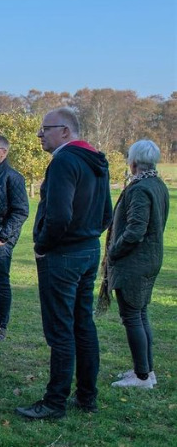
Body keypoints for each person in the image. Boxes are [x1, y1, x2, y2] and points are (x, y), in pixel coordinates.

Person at [16, 107, 112, 420]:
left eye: (46, 128)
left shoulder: (64, 161)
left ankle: (55, 402)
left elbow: (58, 215)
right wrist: (87, 237)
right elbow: (106, 214)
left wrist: (43, 246)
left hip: (64, 255)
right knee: (83, 325)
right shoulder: (97, 160)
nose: (39, 134)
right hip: (87, 252)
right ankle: (87, 396)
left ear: (65, 132)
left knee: (61, 331)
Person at [104, 140, 169, 389]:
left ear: (133, 162)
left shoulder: (140, 189)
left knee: (132, 316)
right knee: (140, 314)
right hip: (149, 259)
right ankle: (145, 371)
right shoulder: (158, 185)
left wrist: (113, 251)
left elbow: (135, 230)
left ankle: (141, 376)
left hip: (134, 262)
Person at [0, 135, 29, 343]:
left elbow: (20, 211)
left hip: (1, 238)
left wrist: (3, 237)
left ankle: (0, 326)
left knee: (1, 283)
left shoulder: (13, 177)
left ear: (4, 152)